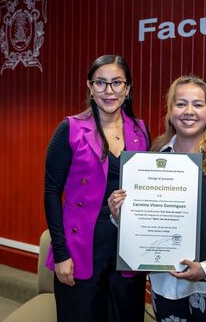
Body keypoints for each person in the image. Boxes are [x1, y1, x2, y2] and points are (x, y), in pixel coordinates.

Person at [109, 75, 206, 322]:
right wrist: (121, 215)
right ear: (170, 111)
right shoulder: (151, 157)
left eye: (198, 104)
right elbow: (143, 218)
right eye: (181, 103)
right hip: (165, 280)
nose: (189, 111)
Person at [44, 54, 150, 322]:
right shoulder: (69, 129)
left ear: (127, 88)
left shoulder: (141, 130)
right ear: (90, 87)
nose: (109, 90)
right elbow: (51, 193)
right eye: (100, 83)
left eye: (117, 83)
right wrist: (60, 252)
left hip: (126, 244)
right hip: (81, 245)